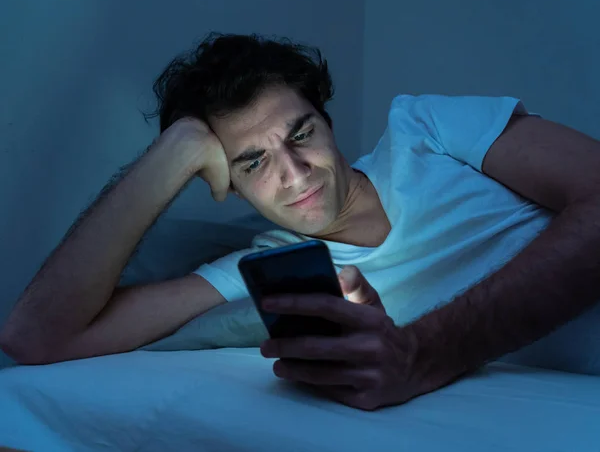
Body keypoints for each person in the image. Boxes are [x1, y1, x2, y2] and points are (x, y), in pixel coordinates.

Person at [2, 33, 600, 411]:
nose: (294, 173)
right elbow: (36, 338)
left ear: (328, 120)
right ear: (226, 183)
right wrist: (172, 153)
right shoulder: (260, 268)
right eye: (253, 162)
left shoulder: (426, 131)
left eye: (301, 132)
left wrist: (423, 352)